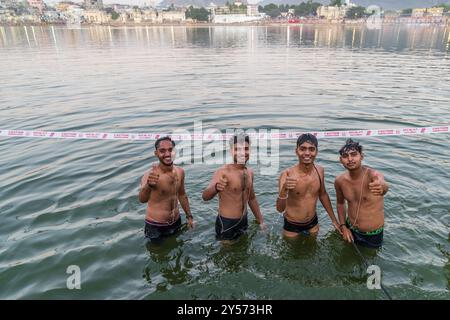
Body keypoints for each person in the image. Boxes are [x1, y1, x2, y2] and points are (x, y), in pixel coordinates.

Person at [202, 133, 265, 242]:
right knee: (227, 257)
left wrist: (261, 221)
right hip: (226, 224)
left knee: (243, 253)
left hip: (244, 221)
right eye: (237, 149)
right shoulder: (223, 172)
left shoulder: (249, 172)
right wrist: (216, 188)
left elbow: (252, 198)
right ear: (231, 151)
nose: (242, 153)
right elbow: (205, 196)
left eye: (245, 149)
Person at [276, 133, 340, 238]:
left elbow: (323, 195)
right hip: (292, 225)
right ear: (296, 151)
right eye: (303, 149)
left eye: (311, 149)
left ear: (316, 152)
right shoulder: (287, 175)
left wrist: (334, 220)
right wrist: (284, 190)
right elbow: (280, 209)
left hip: (313, 223)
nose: (307, 153)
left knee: (312, 250)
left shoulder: (320, 171)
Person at [334, 139, 389, 249]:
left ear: (361, 156)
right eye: (345, 156)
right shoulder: (339, 181)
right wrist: (343, 226)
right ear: (341, 160)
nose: (350, 159)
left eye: (354, 154)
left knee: (371, 258)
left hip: (373, 234)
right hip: (350, 229)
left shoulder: (372, 175)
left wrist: (382, 186)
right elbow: (340, 204)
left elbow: (382, 184)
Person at [138, 136, 194, 243]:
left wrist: (189, 217)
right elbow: (142, 199)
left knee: (177, 248)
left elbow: (182, 195)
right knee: (159, 255)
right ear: (156, 153)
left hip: (176, 221)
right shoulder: (150, 176)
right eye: (162, 151)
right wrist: (148, 185)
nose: (167, 154)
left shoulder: (180, 171)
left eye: (170, 150)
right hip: (155, 226)